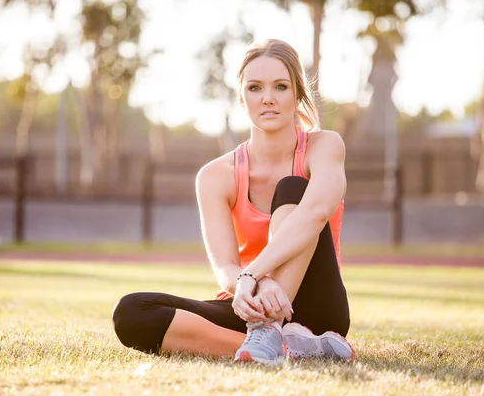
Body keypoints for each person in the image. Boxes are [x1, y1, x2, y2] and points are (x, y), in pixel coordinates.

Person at [112, 39, 353, 365]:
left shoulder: (324, 147)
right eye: (255, 88)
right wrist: (254, 285)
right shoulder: (215, 175)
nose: (268, 98)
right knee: (133, 312)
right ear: (242, 98)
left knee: (293, 188)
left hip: (316, 310)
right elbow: (226, 266)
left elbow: (315, 212)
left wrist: (253, 275)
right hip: (251, 301)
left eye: (280, 86)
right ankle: (287, 348)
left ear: (297, 94)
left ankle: (270, 333)